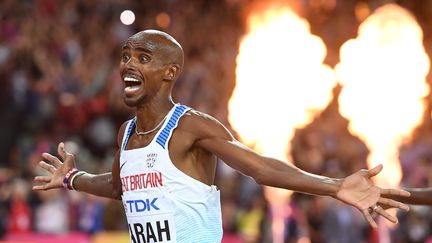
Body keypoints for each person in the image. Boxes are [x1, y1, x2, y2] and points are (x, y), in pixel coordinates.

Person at [33, 29, 410, 243]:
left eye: (143, 58)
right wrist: (72, 179)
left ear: (170, 72)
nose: (128, 63)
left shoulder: (191, 126)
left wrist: (334, 185)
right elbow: (119, 188)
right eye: (126, 56)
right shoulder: (126, 132)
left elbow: (260, 168)